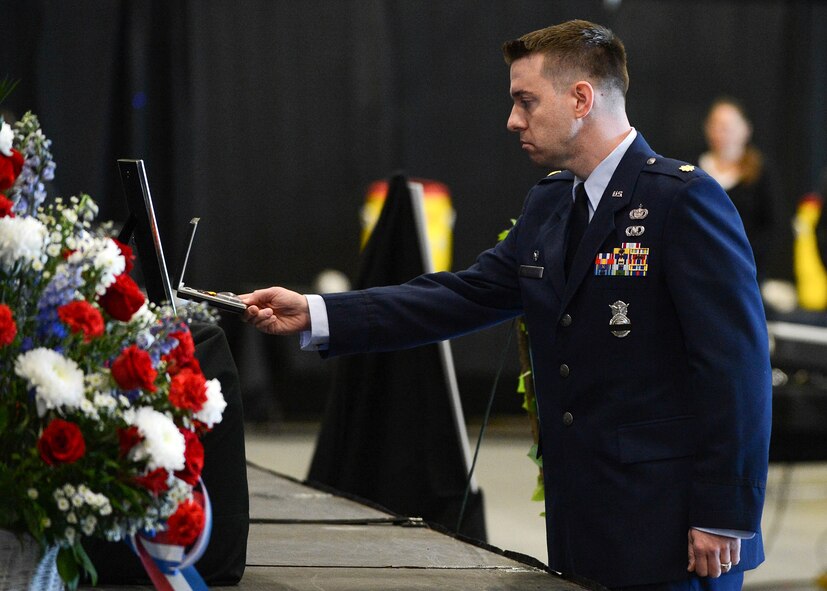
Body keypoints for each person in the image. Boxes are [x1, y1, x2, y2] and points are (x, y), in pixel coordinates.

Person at [241, 20, 771, 591]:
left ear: (581, 99)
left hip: (676, 531)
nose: (513, 120)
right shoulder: (549, 204)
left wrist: (724, 513)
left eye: (525, 101)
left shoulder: (682, 201)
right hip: (582, 520)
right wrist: (320, 313)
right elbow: (460, 296)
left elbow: (736, 369)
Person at [699, 97, 785, 280]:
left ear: (745, 129)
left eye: (728, 127)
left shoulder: (761, 172)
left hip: (745, 270)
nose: (722, 133)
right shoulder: (694, 171)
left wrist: (744, 260)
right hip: (701, 268)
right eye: (716, 126)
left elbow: (771, 226)